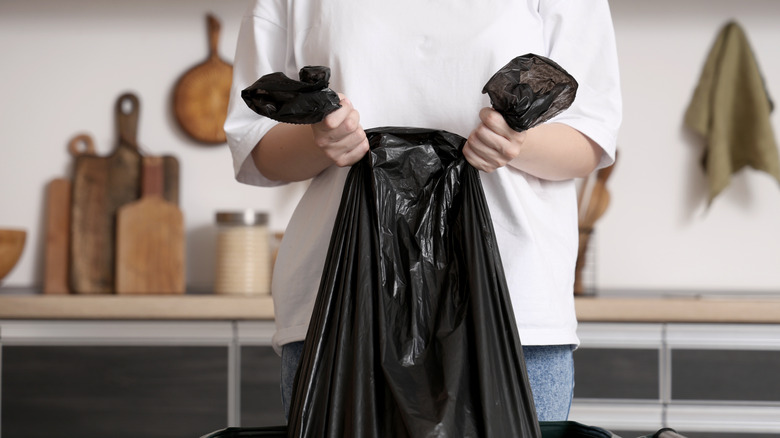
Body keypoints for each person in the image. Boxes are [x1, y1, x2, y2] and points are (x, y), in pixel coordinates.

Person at [224, 0, 622, 423]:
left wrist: (517, 143)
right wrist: (320, 140)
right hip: (340, 308)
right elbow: (256, 144)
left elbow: (592, 136)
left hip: (513, 309)